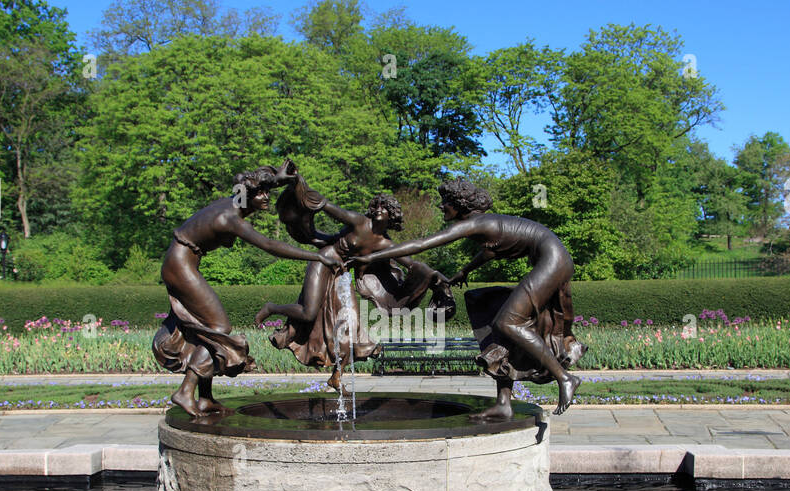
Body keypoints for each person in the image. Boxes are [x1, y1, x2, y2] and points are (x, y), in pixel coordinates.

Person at [352, 178, 583, 419]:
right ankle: (504, 403)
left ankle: (565, 378)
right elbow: (490, 250)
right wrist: (465, 271)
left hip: (552, 260)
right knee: (487, 309)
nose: (441, 207)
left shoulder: (475, 223)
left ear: (459, 204)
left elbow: (421, 244)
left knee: (508, 323)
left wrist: (373, 256)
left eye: (445, 203)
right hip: (552, 259)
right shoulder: (484, 224)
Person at [154, 164, 341, 417]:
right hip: (180, 265)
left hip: (181, 262)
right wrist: (316, 257)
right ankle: (185, 392)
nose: (266, 199)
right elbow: (270, 245)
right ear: (249, 194)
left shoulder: (236, 201)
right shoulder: (230, 219)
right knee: (219, 329)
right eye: (261, 194)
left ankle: (205, 398)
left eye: (268, 192)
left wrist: (279, 179)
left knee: (208, 330)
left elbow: (253, 183)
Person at [256, 180, 454, 393]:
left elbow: (413, 265)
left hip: (341, 273)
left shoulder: (386, 244)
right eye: (376, 206)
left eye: (384, 208)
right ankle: (271, 308)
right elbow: (326, 206)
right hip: (323, 261)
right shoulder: (360, 222)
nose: (378, 209)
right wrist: (298, 185)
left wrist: (436, 278)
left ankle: (336, 377)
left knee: (351, 326)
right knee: (308, 312)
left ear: (392, 216)